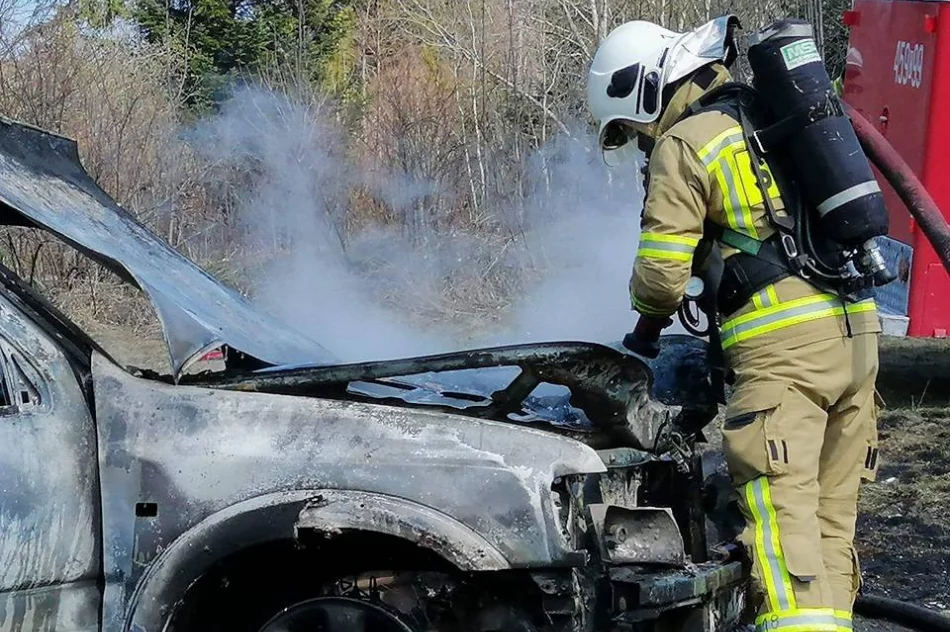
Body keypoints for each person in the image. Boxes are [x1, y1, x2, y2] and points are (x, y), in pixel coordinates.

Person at [586, 16, 883, 632]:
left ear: (644, 89)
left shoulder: (687, 142)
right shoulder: (767, 118)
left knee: (781, 523)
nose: (641, 140)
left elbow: (662, 274)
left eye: (633, 127)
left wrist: (645, 327)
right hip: (858, 340)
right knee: (830, 519)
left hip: (785, 359)